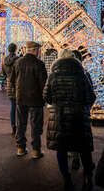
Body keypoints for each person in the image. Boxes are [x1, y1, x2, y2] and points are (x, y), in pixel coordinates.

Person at [44, 49, 96, 191]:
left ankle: (67, 180)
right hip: (79, 116)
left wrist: (56, 103)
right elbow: (91, 96)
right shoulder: (82, 74)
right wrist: (84, 108)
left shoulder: (53, 75)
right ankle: (88, 178)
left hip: (59, 117)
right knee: (84, 148)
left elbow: (46, 96)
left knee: (62, 148)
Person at [9, 41, 47, 159]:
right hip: (36, 99)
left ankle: (20, 148)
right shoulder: (39, 64)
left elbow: (12, 80)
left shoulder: (18, 62)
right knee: (36, 125)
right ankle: (36, 150)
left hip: (21, 97)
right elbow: (44, 84)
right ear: (35, 50)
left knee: (21, 123)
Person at [2, 43, 19, 136]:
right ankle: (19, 126)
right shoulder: (18, 60)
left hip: (9, 84)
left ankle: (13, 126)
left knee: (13, 106)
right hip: (18, 84)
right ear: (16, 49)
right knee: (20, 107)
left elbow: (3, 74)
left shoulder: (4, 60)